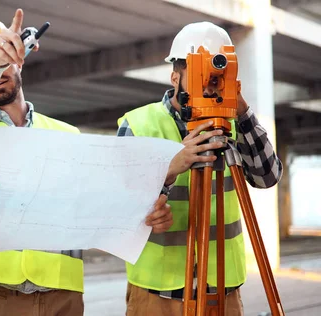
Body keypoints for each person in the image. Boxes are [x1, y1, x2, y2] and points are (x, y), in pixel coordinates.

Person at [0, 9, 174, 316]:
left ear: (19, 57)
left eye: (2, 56)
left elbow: (99, 206)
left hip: (64, 296)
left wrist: (146, 214)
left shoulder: (67, 134)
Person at [117, 21, 283, 316]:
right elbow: (116, 205)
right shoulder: (140, 124)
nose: (208, 84)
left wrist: (241, 110)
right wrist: (171, 168)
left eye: (216, 75)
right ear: (174, 77)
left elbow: (267, 175)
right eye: (199, 73)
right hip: (158, 295)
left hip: (222, 291)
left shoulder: (234, 124)